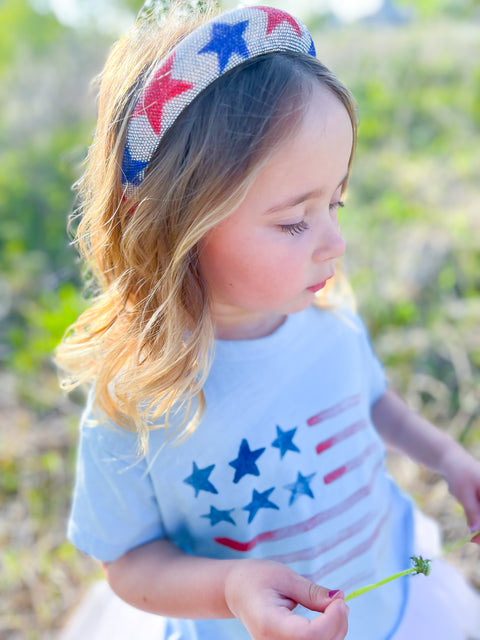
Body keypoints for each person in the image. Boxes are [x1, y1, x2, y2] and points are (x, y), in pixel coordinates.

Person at [56, 4, 480, 639]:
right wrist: (231, 588)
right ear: (179, 224)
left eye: (336, 200)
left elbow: (371, 403)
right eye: (293, 220)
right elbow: (127, 561)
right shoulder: (138, 399)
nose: (334, 241)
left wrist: (448, 457)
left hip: (393, 597)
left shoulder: (330, 323)